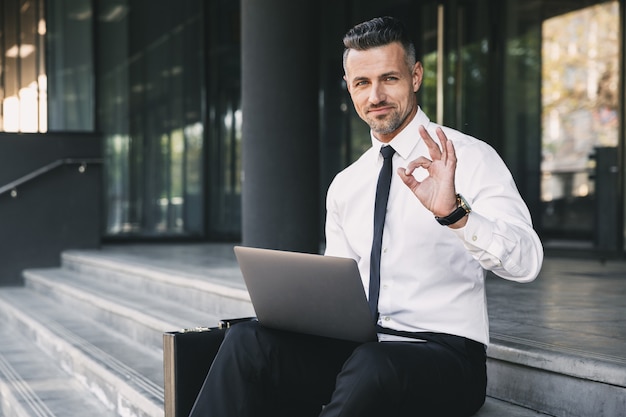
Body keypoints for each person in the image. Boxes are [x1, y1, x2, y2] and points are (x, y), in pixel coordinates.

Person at [189, 16, 543, 417]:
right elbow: (336, 286)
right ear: (349, 88)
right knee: (246, 340)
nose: (375, 95)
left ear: (416, 76)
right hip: (360, 351)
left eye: (388, 78)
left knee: (371, 367)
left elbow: (528, 262)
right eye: (362, 83)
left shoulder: (469, 157)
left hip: (444, 357)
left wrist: (454, 214)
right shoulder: (347, 183)